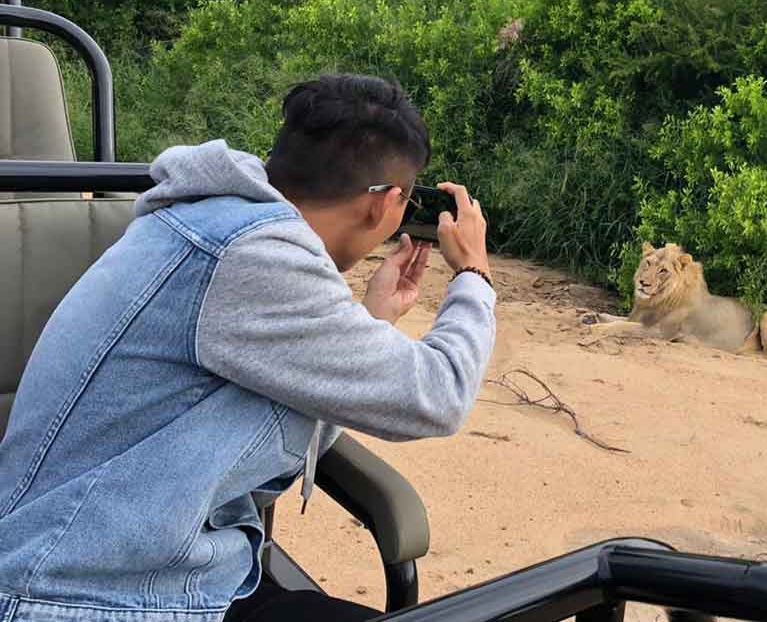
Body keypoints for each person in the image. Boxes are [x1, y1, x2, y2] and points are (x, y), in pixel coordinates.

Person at [0, 73, 497, 622]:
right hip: (80, 594)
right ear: (384, 205)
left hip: (163, 572)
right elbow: (440, 395)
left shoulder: (212, 219)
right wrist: (474, 274)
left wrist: (373, 319)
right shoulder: (250, 258)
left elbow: (296, 393)